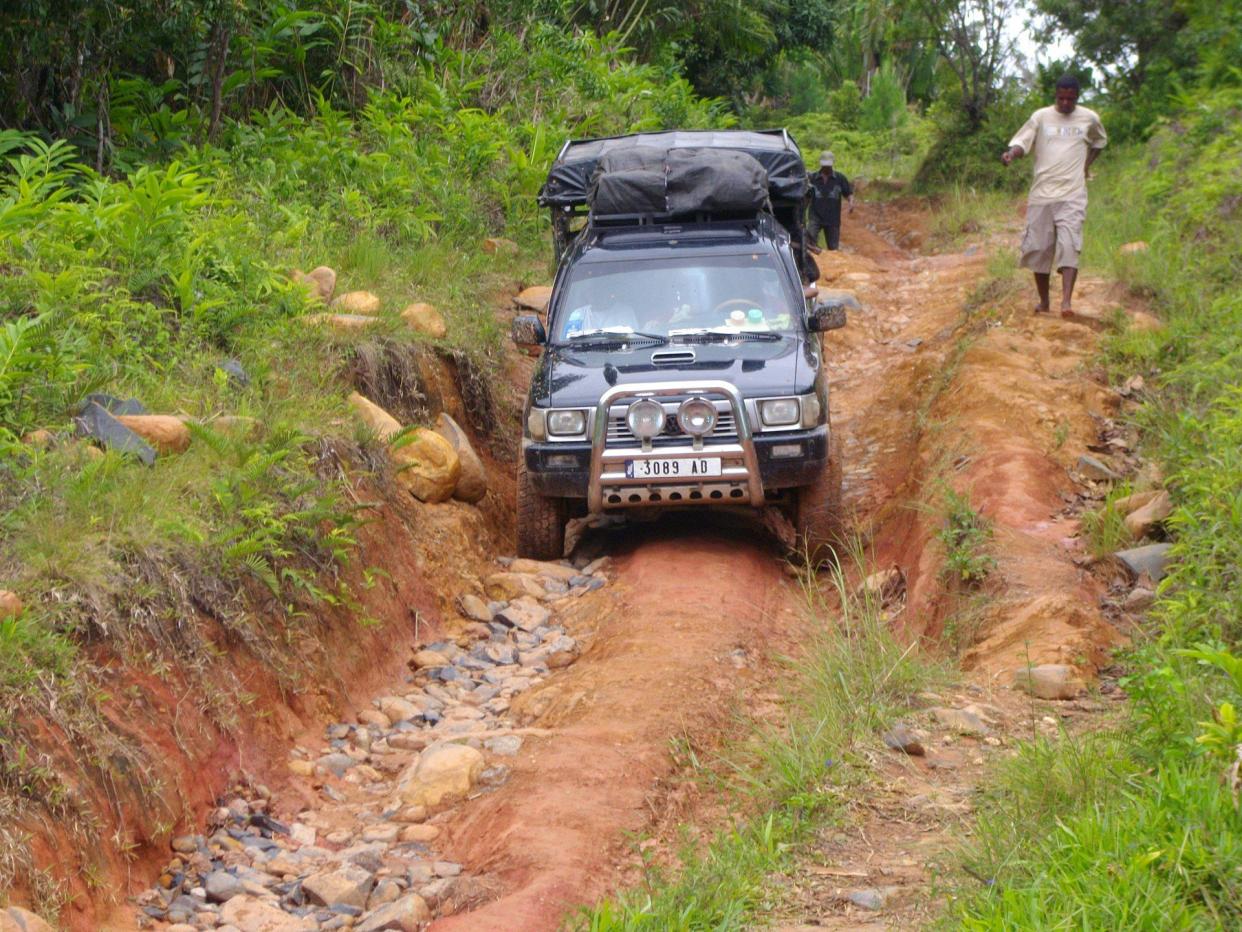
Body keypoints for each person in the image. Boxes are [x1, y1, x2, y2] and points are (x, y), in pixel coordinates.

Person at [1002, 74, 1107, 317]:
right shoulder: (1041, 117)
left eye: (1071, 99)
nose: (1066, 103)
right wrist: (1011, 154)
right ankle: (1044, 301)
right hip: (1042, 194)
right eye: (1062, 98)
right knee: (1039, 250)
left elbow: (1099, 143)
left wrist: (1086, 166)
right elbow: (1022, 142)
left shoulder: (1089, 118)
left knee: (1070, 245)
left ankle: (1067, 303)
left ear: (1077, 97)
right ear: (1055, 95)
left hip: (1073, 194)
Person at [807, 150, 854, 251]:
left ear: (832, 163)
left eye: (828, 165)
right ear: (821, 164)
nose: (826, 167)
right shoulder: (813, 178)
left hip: (833, 219)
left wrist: (851, 203)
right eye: (825, 165)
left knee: (833, 249)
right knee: (809, 243)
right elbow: (805, 195)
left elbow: (848, 193)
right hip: (815, 217)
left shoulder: (840, 178)